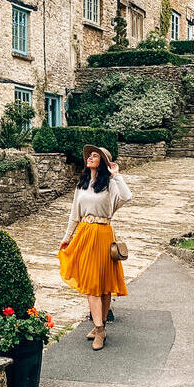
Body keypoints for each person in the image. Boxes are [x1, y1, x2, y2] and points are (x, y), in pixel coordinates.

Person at [57, 145, 132, 351]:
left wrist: (116, 175)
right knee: (91, 284)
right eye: (89, 155)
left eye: (95, 156)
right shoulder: (81, 184)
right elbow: (74, 214)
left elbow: (127, 197)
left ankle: (102, 327)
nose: (90, 157)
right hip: (84, 234)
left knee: (105, 285)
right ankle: (98, 327)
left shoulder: (110, 185)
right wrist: (67, 237)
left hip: (104, 234)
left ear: (104, 163)